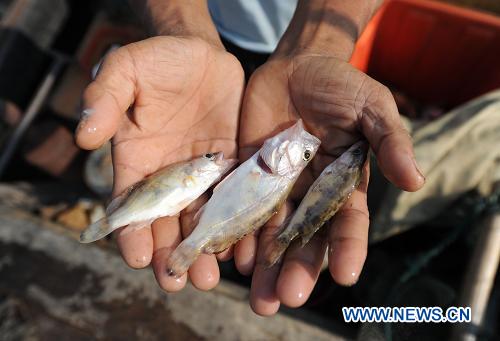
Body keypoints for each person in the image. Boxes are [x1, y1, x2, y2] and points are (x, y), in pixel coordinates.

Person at [75, 0, 425, 316]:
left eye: (304, 155)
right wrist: (180, 23)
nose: (304, 149)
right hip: (208, 28)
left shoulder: (272, 164)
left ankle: (193, 246)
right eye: (305, 154)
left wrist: (319, 47)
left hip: (322, 39)